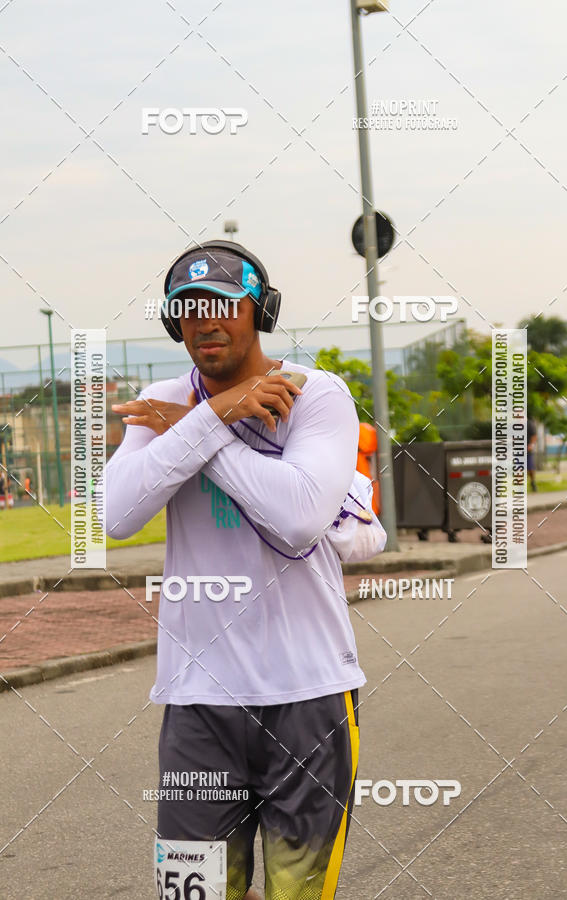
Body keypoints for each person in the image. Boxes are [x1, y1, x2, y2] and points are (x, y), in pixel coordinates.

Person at [104, 241, 383, 900]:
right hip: (198, 704)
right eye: (187, 309)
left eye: (223, 304)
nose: (205, 321)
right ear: (174, 323)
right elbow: (115, 515)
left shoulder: (316, 394)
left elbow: (297, 517)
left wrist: (195, 433)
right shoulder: (163, 399)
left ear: (260, 309)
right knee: (193, 895)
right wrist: (214, 416)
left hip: (308, 700)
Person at [526, 418, 537, 492]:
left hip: (528, 449)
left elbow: (534, 436)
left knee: (530, 469)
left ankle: (533, 482)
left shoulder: (529, 424)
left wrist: (531, 445)